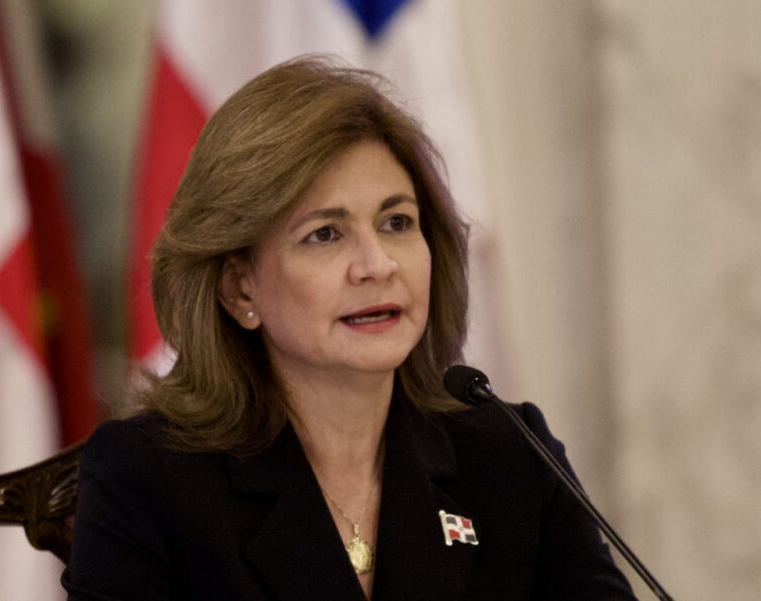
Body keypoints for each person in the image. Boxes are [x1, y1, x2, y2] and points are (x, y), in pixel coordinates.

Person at [62, 56, 637, 601]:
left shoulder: (509, 453)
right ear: (239, 288)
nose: (377, 265)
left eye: (396, 222)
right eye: (325, 234)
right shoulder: (149, 478)